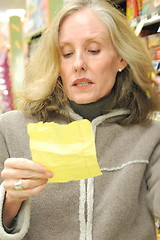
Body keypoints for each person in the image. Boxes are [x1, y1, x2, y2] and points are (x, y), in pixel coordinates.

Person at [0, 0, 160, 239]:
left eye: (93, 50)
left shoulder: (149, 134)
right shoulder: (10, 129)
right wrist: (10, 199)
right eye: (66, 54)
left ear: (121, 58)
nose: (78, 65)